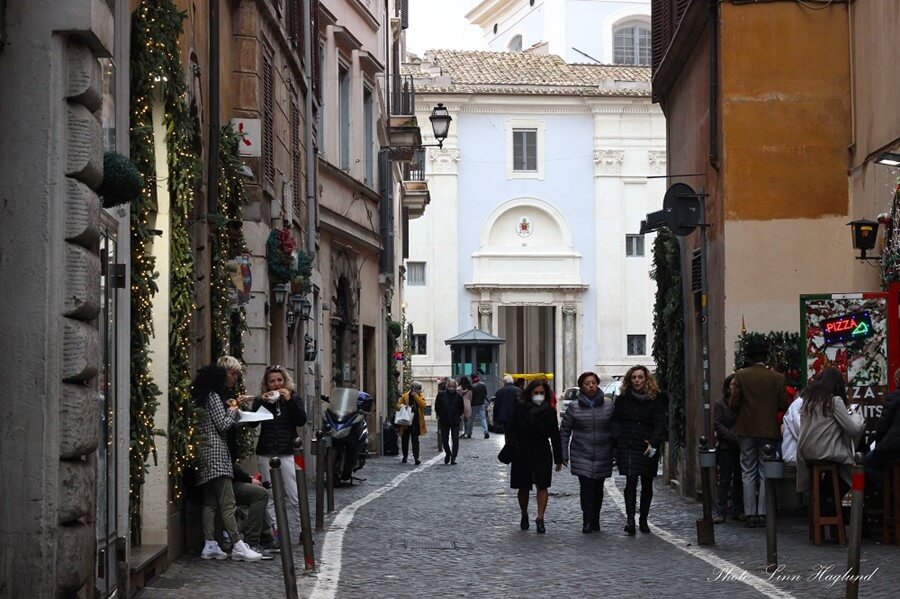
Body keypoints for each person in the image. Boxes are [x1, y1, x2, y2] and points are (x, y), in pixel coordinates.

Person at [193, 360, 262, 562]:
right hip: (216, 456)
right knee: (227, 501)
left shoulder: (202, 397)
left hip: (204, 454)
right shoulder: (213, 397)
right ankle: (237, 544)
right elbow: (223, 425)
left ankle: (210, 544)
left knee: (210, 503)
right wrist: (232, 411)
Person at [730, 338, 787, 528]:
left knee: (747, 469)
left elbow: (734, 403)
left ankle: (749, 513)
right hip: (768, 428)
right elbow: (783, 404)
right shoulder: (777, 377)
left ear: (750, 357)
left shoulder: (740, 375)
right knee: (764, 470)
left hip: (746, 428)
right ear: (765, 356)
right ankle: (763, 512)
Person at [248, 364, 307, 541]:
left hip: (289, 451)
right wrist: (260, 403)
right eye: (272, 381)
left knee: (295, 494)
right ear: (267, 384)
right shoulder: (261, 401)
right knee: (271, 496)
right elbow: (252, 424)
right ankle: (276, 532)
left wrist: (289, 401)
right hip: (266, 451)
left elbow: (301, 420)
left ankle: (304, 531)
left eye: (279, 380)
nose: (276, 384)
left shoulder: (294, 399)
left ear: (285, 381)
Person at [612, 365, 667, 535]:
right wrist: (618, 436)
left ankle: (643, 519)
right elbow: (616, 420)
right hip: (628, 444)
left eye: (640, 377)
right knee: (630, 480)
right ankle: (630, 520)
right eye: (634, 377)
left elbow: (660, 423)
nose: (637, 380)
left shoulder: (656, 399)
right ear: (630, 380)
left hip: (647, 444)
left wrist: (654, 441)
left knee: (647, 483)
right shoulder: (622, 400)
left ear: (646, 379)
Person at [560, 371, 615, 533]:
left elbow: (615, 430)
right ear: (582, 387)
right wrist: (563, 454)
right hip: (581, 453)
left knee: (598, 488)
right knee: (586, 487)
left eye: (593, 383)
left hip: (603, 453)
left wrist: (616, 451)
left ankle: (596, 518)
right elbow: (564, 431)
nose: (591, 386)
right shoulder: (574, 407)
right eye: (587, 383)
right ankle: (587, 520)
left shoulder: (609, 406)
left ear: (597, 384)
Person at [505, 379, 563, 534]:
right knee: (523, 486)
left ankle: (540, 518)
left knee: (542, 485)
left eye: (542, 393)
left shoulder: (550, 412)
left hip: (542, 451)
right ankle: (524, 513)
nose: (539, 395)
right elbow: (511, 430)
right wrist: (514, 446)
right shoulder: (519, 409)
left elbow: (555, 435)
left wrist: (559, 458)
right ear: (530, 394)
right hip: (522, 451)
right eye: (536, 393)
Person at [797, 368, 865, 498]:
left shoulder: (809, 401)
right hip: (825, 451)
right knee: (852, 463)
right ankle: (832, 500)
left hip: (805, 452)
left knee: (840, 465)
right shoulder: (834, 401)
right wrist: (858, 417)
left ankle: (825, 500)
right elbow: (853, 429)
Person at [225, 427, 278, 559]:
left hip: (231, 479)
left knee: (260, 493)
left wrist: (249, 478)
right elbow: (228, 465)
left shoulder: (228, 432)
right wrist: (249, 479)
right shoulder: (224, 431)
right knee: (260, 495)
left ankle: (265, 537)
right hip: (226, 482)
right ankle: (252, 541)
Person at [713, 375, 743, 523]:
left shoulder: (742, 404)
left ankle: (738, 510)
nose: (733, 387)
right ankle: (720, 511)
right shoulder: (720, 404)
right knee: (724, 479)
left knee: (739, 478)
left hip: (740, 446)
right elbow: (717, 424)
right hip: (726, 446)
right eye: (732, 384)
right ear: (727, 386)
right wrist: (731, 437)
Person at [866, 369, 900, 489]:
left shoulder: (894, 397)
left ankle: (889, 491)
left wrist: (876, 443)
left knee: (867, 462)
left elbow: (882, 427)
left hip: (894, 448)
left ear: (896, 380)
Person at [434, 378, 464, 464]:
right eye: (450, 386)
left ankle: (453, 457)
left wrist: (458, 416)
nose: (452, 388)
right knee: (444, 439)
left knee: (455, 439)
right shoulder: (441, 395)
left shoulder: (459, 396)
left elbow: (461, 408)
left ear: (456, 387)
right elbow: (437, 406)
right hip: (444, 420)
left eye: (453, 387)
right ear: (447, 386)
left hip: (455, 421)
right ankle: (448, 453)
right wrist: (440, 415)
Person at [397, 381, 427, 465]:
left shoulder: (420, 396)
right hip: (406, 421)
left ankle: (416, 458)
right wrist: (403, 406)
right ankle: (405, 456)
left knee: (415, 440)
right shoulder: (405, 396)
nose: (420, 391)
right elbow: (398, 405)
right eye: (419, 389)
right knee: (405, 440)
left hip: (416, 421)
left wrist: (416, 396)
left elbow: (423, 405)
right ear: (414, 389)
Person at [468, 374, 490, 439]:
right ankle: (486, 432)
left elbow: (470, 396)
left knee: (471, 419)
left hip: (473, 405)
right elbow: (485, 394)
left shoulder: (471, 386)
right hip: (481, 404)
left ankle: (469, 433)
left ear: (472, 378)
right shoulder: (483, 384)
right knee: (483, 418)